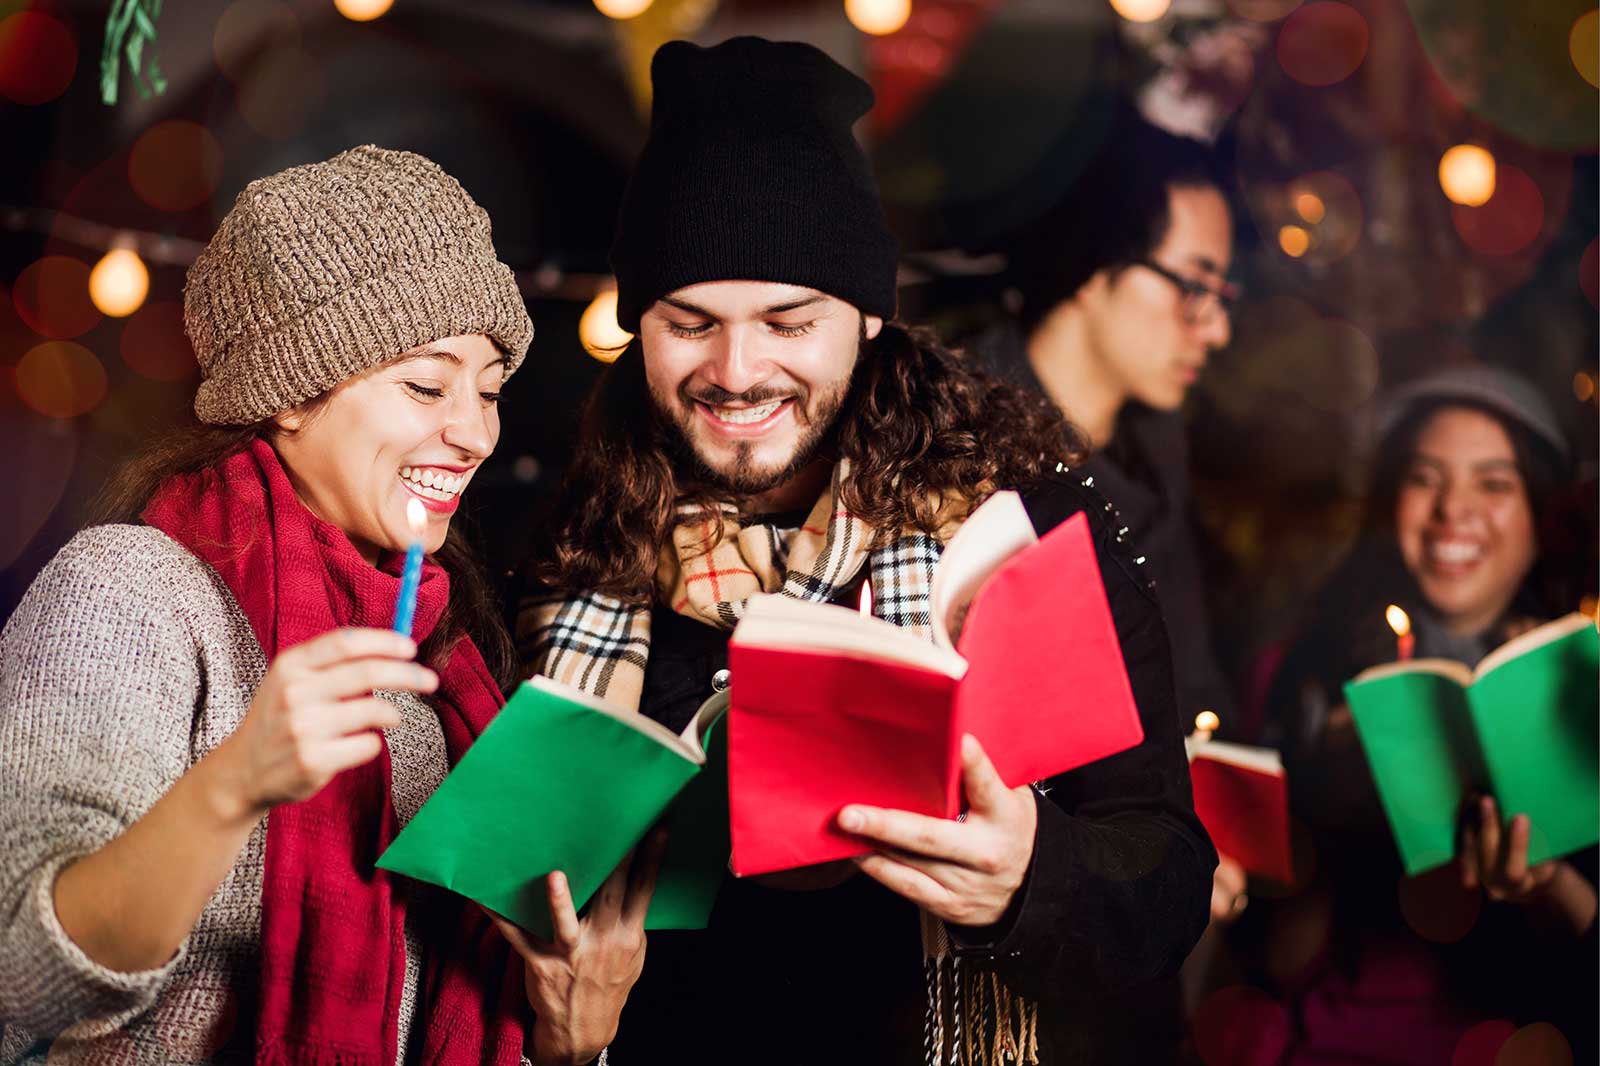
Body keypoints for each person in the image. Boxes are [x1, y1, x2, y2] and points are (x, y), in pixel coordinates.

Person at [519, 38, 1215, 1066]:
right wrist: (558, 1038)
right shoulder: (571, 551)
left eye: (787, 321)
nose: (737, 370)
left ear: (866, 317)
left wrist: (1035, 872)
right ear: (638, 324)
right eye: (690, 321)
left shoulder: (1017, 522)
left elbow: (1163, 878)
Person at [0, 147, 647, 1065]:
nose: (473, 433)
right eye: (426, 385)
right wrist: (232, 786)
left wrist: (572, 1040)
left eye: (490, 390)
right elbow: (16, 975)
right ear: (289, 394)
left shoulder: (443, 657)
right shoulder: (132, 591)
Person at [1252, 365, 1597, 1065]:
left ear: (1540, 515)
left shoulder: (1583, 688)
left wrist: (1546, 884)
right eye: (1424, 477)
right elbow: (1273, 963)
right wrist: (1325, 805)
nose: (1453, 510)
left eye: (1494, 483)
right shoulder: (1309, 674)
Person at [971, 115, 1238, 742]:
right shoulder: (950, 438)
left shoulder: (1158, 453)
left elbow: (1193, 690)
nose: (1217, 329)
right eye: (1193, 287)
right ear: (1095, 266)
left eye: (1224, 295)